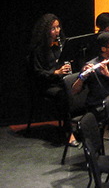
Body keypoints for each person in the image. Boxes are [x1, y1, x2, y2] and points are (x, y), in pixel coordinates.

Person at [29, 13, 78, 146]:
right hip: (46, 84)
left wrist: (68, 65)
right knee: (64, 95)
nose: (57, 31)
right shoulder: (38, 49)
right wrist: (56, 72)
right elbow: (37, 72)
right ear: (45, 30)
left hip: (60, 81)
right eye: (53, 28)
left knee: (79, 87)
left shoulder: (59, 46)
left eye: (58, 27)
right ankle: (69, 132)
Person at [71, 32, 109, 122]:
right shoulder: (91, 65)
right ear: (103, 49)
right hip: (99, 107)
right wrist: (82, 77)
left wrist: (108, 74)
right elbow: (74, 91)